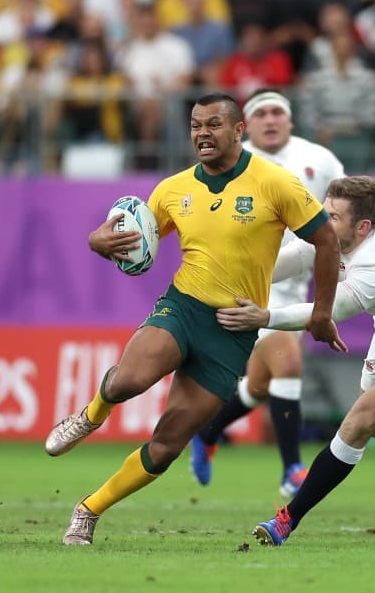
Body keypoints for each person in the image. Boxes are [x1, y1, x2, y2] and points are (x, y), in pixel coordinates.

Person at [44, 91, 344, 546]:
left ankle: (88, 510)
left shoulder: (276, 183)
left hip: (233, 329)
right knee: (128, 380)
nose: (202, 134)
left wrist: (322, 312)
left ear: (237, 130)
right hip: (183, 306)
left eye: (213, 125)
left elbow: (326, 240)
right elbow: (132, 237)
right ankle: (90, 415)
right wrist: (96, 242)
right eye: (195, 126)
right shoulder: (173, 189)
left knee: (166, 447)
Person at [214, 176, 375, 546]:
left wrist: (263, 316)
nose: (323, 221)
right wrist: (235, 278)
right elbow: (298, 256)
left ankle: (287, 519)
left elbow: (327, 311)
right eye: (324, 211)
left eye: (333, 216)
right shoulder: (341, 236)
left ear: (362, 227)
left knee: (360, 421)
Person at [190, 88, 346, 500]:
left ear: (290, 120)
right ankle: (292, 467)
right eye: (262, 114)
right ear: (245, 125)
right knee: (288, 365)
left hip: (297, 279)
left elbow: (343, 212)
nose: (271, 120)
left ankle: (207, 430)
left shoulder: (320, 160)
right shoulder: (228, 164)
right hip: (250, 282)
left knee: (260, 384)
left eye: (278, 112)